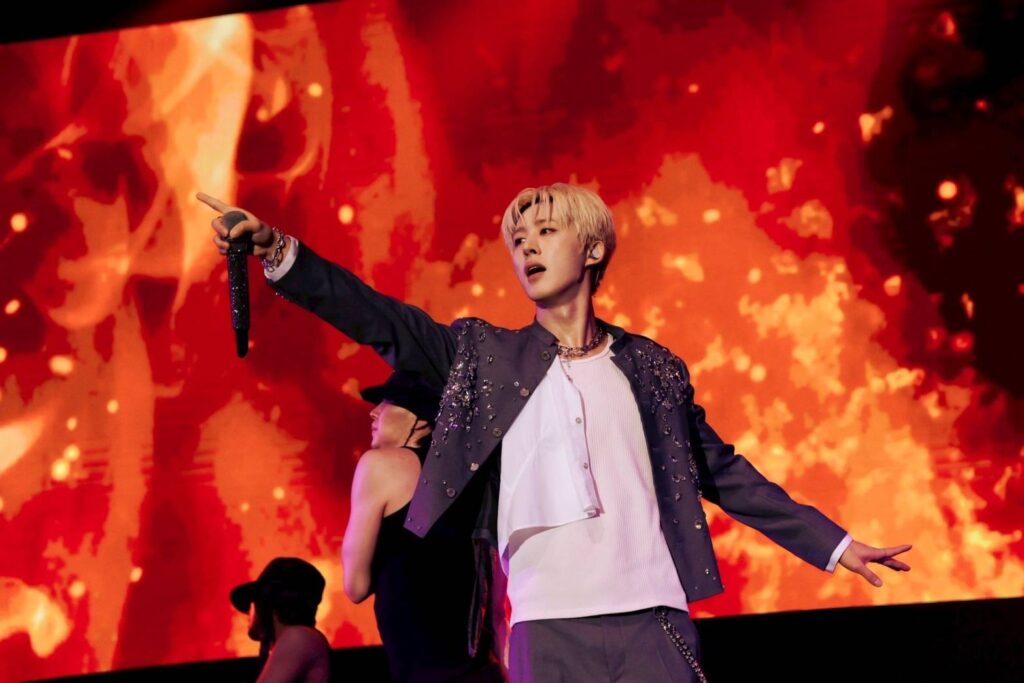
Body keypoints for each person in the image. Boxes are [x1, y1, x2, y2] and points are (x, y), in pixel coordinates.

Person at [201, 183, 911, 682]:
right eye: (518, 238)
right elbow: (381, 319)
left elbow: (722, 470)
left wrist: (833, 544)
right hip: (546, 626)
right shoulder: (485, 358)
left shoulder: (652, 369)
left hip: (653, 617)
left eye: (545, 232)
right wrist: (278, 251)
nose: (527, 247)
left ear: (593, 248)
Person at [341, 371, 506, 682]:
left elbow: (355, 586)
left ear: (420, 420)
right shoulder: (471, 479)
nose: (374, 412)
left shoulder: (380, 464)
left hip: (424, 669)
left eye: (388, 402)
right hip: (479, 666)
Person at [230, 556, 331, 683]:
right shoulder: (300, 638)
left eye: (252, 601)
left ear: (265, 602)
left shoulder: (298, 636)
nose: (247, 613)